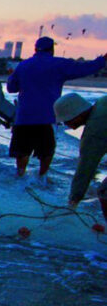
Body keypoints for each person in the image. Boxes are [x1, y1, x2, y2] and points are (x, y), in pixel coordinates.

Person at [6, 37, 105, 178]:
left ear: (35, 49)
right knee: (46, 151)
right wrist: (103, 60)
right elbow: (84, 68)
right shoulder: (59, 64)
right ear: (52, 49)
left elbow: (11, 88)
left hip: (24, 117)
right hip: (48, 117)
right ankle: (42, 178)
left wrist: (12, 77)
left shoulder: (23, 66)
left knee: (22, 151)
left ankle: (20, 177)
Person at [53, 93, 107, 221]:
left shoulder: (93, 132)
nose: (66, 124)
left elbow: (85, 168)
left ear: (77, 115)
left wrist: (73, 201)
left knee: (105, 192)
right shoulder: (102, 101)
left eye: (66, 120)